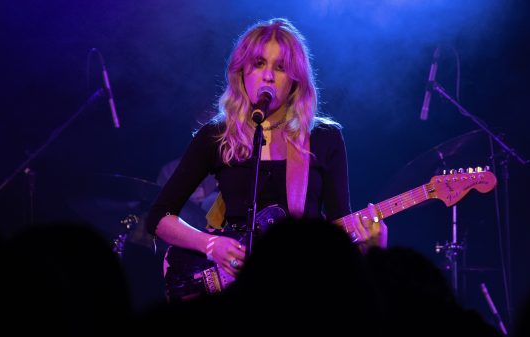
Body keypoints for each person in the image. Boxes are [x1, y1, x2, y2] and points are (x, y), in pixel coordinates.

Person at [145, 18, 387, 298]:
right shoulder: (217, 135)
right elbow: (159, 217)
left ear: (295, 80)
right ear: (242, 72)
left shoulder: (324, 138)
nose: (268, 76)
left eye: (280, 67)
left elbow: (339, 228)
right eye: (259, 63)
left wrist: (372, 245)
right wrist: (211, 245)